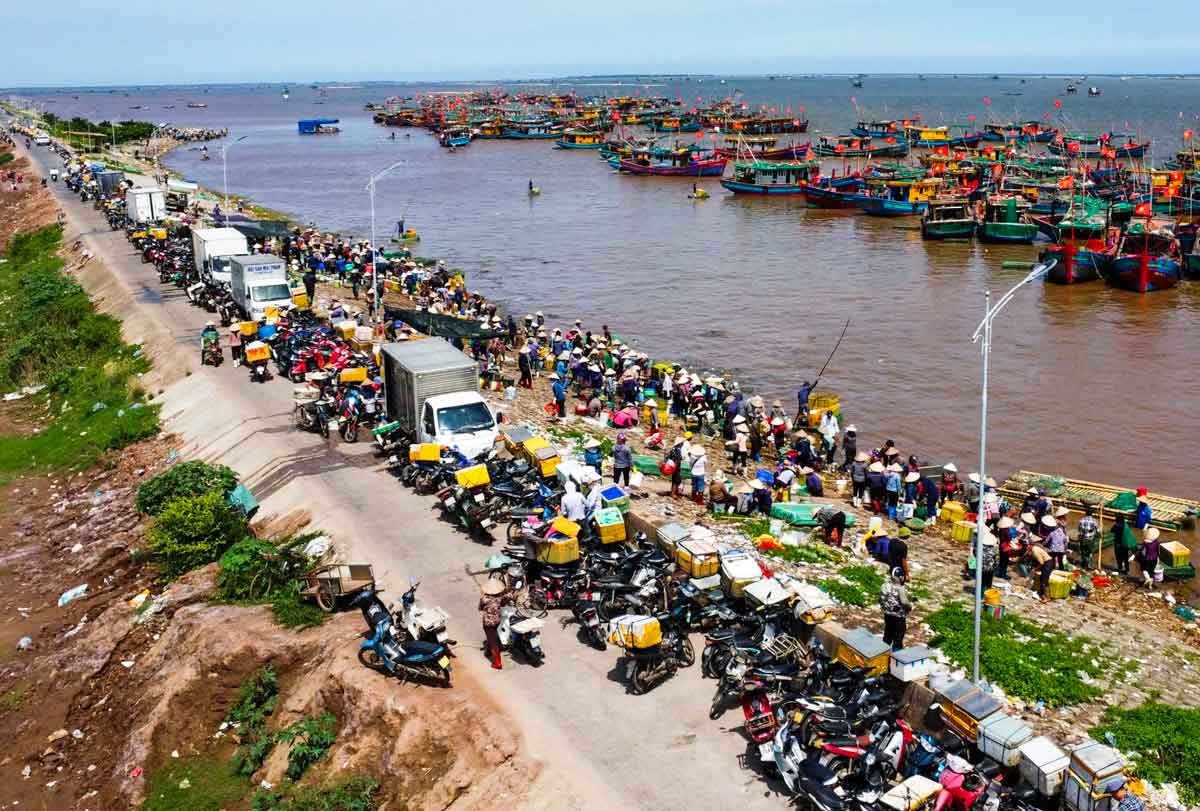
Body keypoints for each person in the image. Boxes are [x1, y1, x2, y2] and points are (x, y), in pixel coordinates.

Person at [478, 578, 509, 670]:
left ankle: (497, 663)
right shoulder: (500, 598)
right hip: (497, 621)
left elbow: (480, 608)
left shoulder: (484, 599)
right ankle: (489, 650)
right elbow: (503, 604)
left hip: (488, 623)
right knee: (493, 635)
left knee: (492, 641)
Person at [879, 567, 912, 650]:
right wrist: (909, 607)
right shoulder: (900, 588)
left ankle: (882, 655)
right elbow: (904, 602)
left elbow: (881, 599)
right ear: (900, 577)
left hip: (887, 614)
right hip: (898, 616)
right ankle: (896, 657)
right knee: (898, 637)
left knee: (887, 635)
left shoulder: (885, 585)